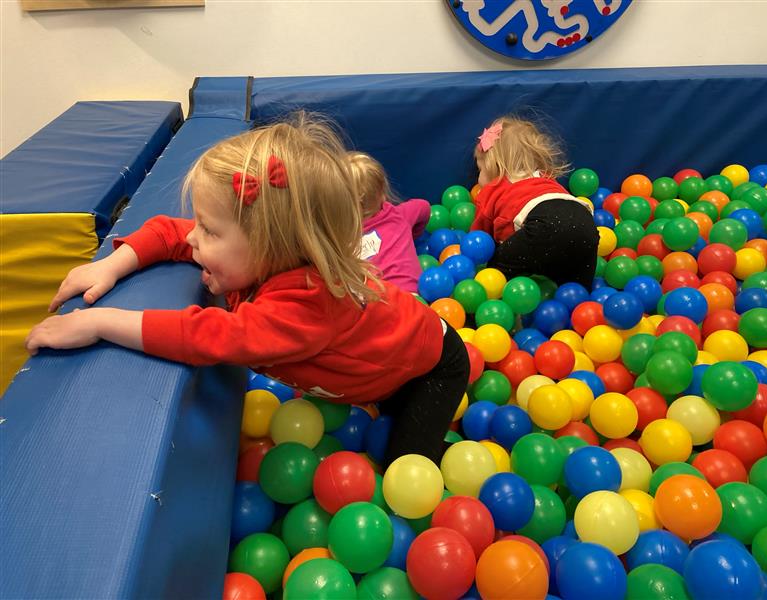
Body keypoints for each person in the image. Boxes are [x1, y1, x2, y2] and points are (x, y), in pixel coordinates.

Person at [26, 114, 468, 466]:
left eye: (210, 231)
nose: (194, 239)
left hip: (430, 366)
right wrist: (110, 265)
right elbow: (167, 232)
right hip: (381, 361)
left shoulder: (306, 305)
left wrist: (99, 321)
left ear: (271, 245)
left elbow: (205, 336)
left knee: (404, 471)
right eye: (200, 224)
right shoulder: (256, 257)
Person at [471, 115, 598, 289]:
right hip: (585, 223)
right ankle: (581, 301)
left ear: (495, 167)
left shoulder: (493, 189)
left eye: (480, 170)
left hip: (544, 225)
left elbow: (481, 238)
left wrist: (476, 259)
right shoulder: (545, 179)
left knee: (498, 268)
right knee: (576, 287)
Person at [347, 151, 430, 293]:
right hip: (412, 298)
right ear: (383, 194)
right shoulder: (398, 215)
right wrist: (413, 235)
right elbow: (424, 207)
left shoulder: (341, 237)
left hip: (374, 304)